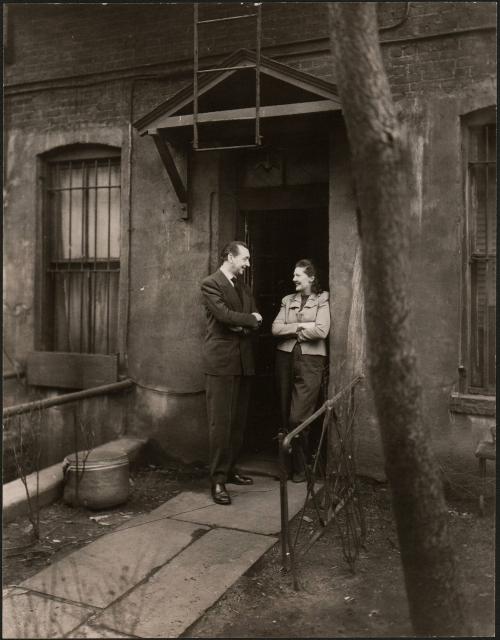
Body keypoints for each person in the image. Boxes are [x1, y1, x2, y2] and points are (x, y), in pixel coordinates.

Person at [200, 241, 263, 505]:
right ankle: (217, 481)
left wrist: (245, 322)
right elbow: (225, 316)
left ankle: (231, 468)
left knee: (237, 422)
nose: (248, 264)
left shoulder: (243, 286)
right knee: (220, 424)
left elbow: (255, 316)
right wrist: (247, 320)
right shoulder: (211, 283)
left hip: (243, 362)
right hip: (222, 363)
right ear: (230, 257)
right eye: (245, 259)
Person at [272, 259, 330, 482]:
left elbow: (322, 330)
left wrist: (294, 330)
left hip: (311, 360)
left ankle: (301, 466)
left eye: (298, 275)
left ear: (311, 278)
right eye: (293, 275)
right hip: (284, 357)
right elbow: (276, 328)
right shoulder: (287, 300)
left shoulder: (322, 299)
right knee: (284, 413)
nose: (293, 279)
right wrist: (303, 327)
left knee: (299, 416)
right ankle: (286, 468)